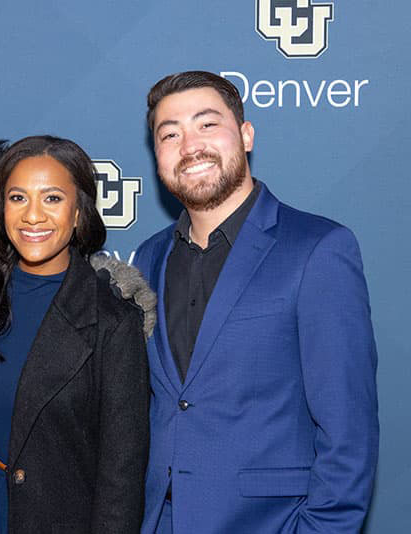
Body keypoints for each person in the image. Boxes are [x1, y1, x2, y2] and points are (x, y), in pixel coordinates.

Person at [133, 71, 379, 534]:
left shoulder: (318, 248)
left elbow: (348, 435)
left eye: (207, 125)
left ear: (245, 135)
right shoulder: (149, 257)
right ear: (158, 155)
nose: (190, 145)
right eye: (170, 134)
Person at [0, 135, 151, 534]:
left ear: (78, 213)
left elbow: (121, 481)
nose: (33, 216)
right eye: (18, 198)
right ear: (0, 208)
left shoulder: (112, 321)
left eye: (52, 198)